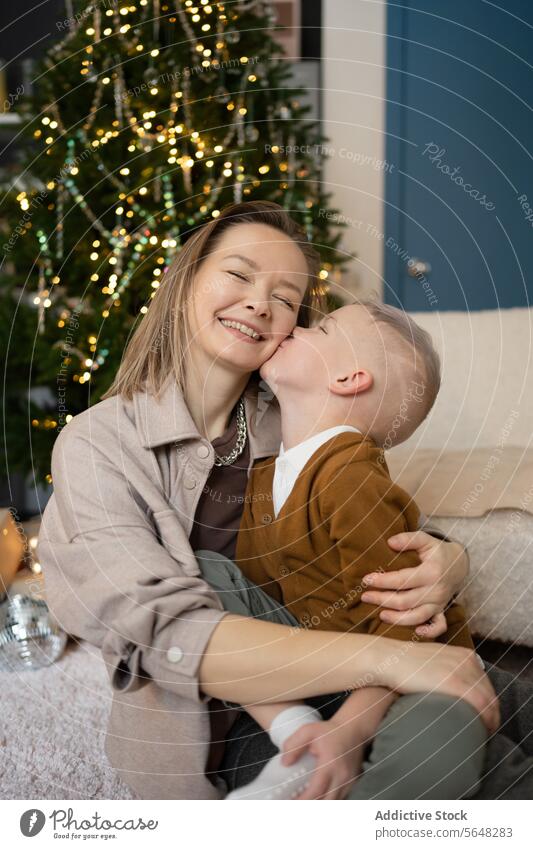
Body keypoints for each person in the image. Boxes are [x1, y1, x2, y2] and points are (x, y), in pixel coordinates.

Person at [38, 201, 497, 800]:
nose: (259, 302)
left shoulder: (308, 418)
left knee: (468, 733)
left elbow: (373, 529)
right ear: (184, 284)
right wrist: (394, 662)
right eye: (238, 274)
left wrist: (445, 558)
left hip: (363, 685)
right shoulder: (98, 445)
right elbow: (162, 633)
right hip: (222, 723)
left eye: (285, 299)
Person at [196, 300, 487, 800]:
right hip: (314, 666)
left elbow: (407, 625)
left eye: (322, 328)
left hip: (404, 675)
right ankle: (295, 734)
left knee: (440, 737)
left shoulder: (351, 478)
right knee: (201, 571)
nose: (296, 327)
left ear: (350, 378)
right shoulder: (264, 476)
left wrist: (351, 729)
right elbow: (251, 603)